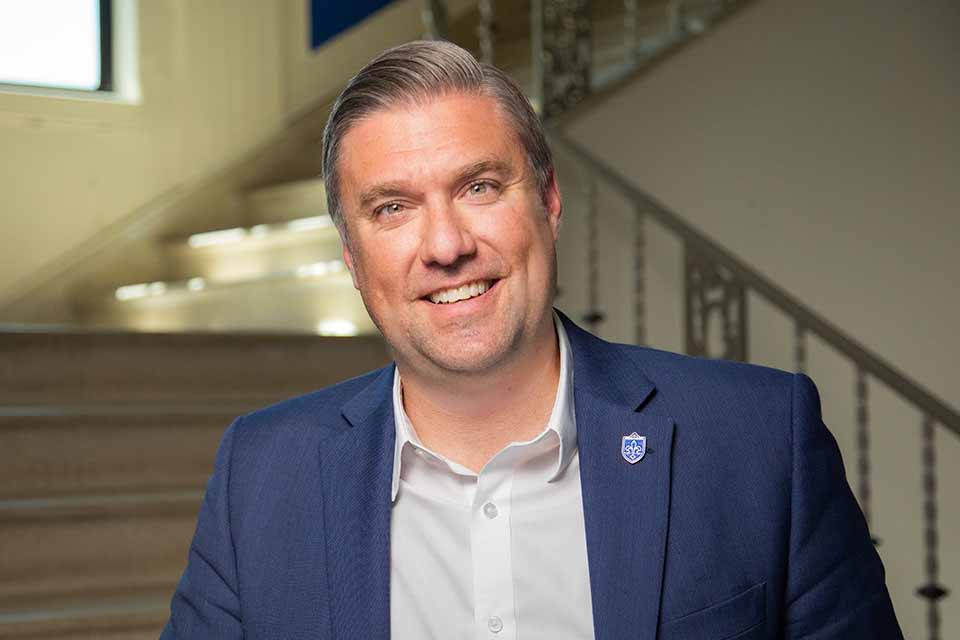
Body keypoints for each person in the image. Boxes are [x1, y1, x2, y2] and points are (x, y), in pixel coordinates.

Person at [162, 40, 902, 639]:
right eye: (393, 208)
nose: (445, 245)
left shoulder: (760, 440)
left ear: (548, 201)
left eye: (479, 187)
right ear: (353, 260)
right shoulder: (260, 475)